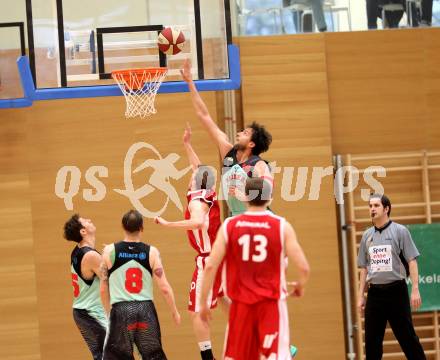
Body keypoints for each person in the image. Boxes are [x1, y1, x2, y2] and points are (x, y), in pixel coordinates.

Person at [199, 177, 310, 359]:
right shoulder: (282, 226)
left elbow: (210, 266)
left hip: (240, 307)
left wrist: (204, 303)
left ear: (246, 198)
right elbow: (303, 268)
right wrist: (300, 286)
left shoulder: (229, 226)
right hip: (271, 306)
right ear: (270, 198)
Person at [155, 124, 223, 360]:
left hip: (208, 260)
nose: (191, 172)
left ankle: (208, 358)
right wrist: (187, 144)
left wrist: (167, 225)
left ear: (196, 181)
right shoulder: (208, 190)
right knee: (228, 302)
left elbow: (195, 223)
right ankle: (263, 339)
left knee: (196, 312)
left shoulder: (197, 202)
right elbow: (199, 167)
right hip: (221, 255)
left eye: (193, 173)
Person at [180, 60, 273, 217]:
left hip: (258, 217)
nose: (238, 133)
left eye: (244, 133)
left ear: (251, 143)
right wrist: (190, 82)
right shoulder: (228, 153)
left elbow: (268, 198)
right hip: (235, 216)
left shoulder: (259, 165)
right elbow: (204, 115)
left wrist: (243, 195)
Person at [100, 210, 181, 360]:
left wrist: (108, 312)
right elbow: (164, 288)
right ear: (142, 227)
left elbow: (103, 288)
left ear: (122, 226)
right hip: (145, 309)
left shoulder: (109, 251)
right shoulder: (152, 252)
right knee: (153, 356)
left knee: (117, 356)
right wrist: (174, 311)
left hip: (121, 309)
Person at [357, 194, 426, 360]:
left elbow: (412, 261)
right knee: (372, 342)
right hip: (375, 294)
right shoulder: (367, 235)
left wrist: (415, 289)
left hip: (397, 292)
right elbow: (364, 269)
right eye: (370, 206)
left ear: (386, 209)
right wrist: (360, 296)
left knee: (408, 338)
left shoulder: (400, 231)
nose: (372, 209)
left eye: (376, 205)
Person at [63, 214, 107, 360]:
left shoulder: (78, 250)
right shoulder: (90, 256)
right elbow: (113, 281)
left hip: (84, 311)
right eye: (85, 221)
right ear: (83, 231)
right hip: (90, 313)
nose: (89, 220)